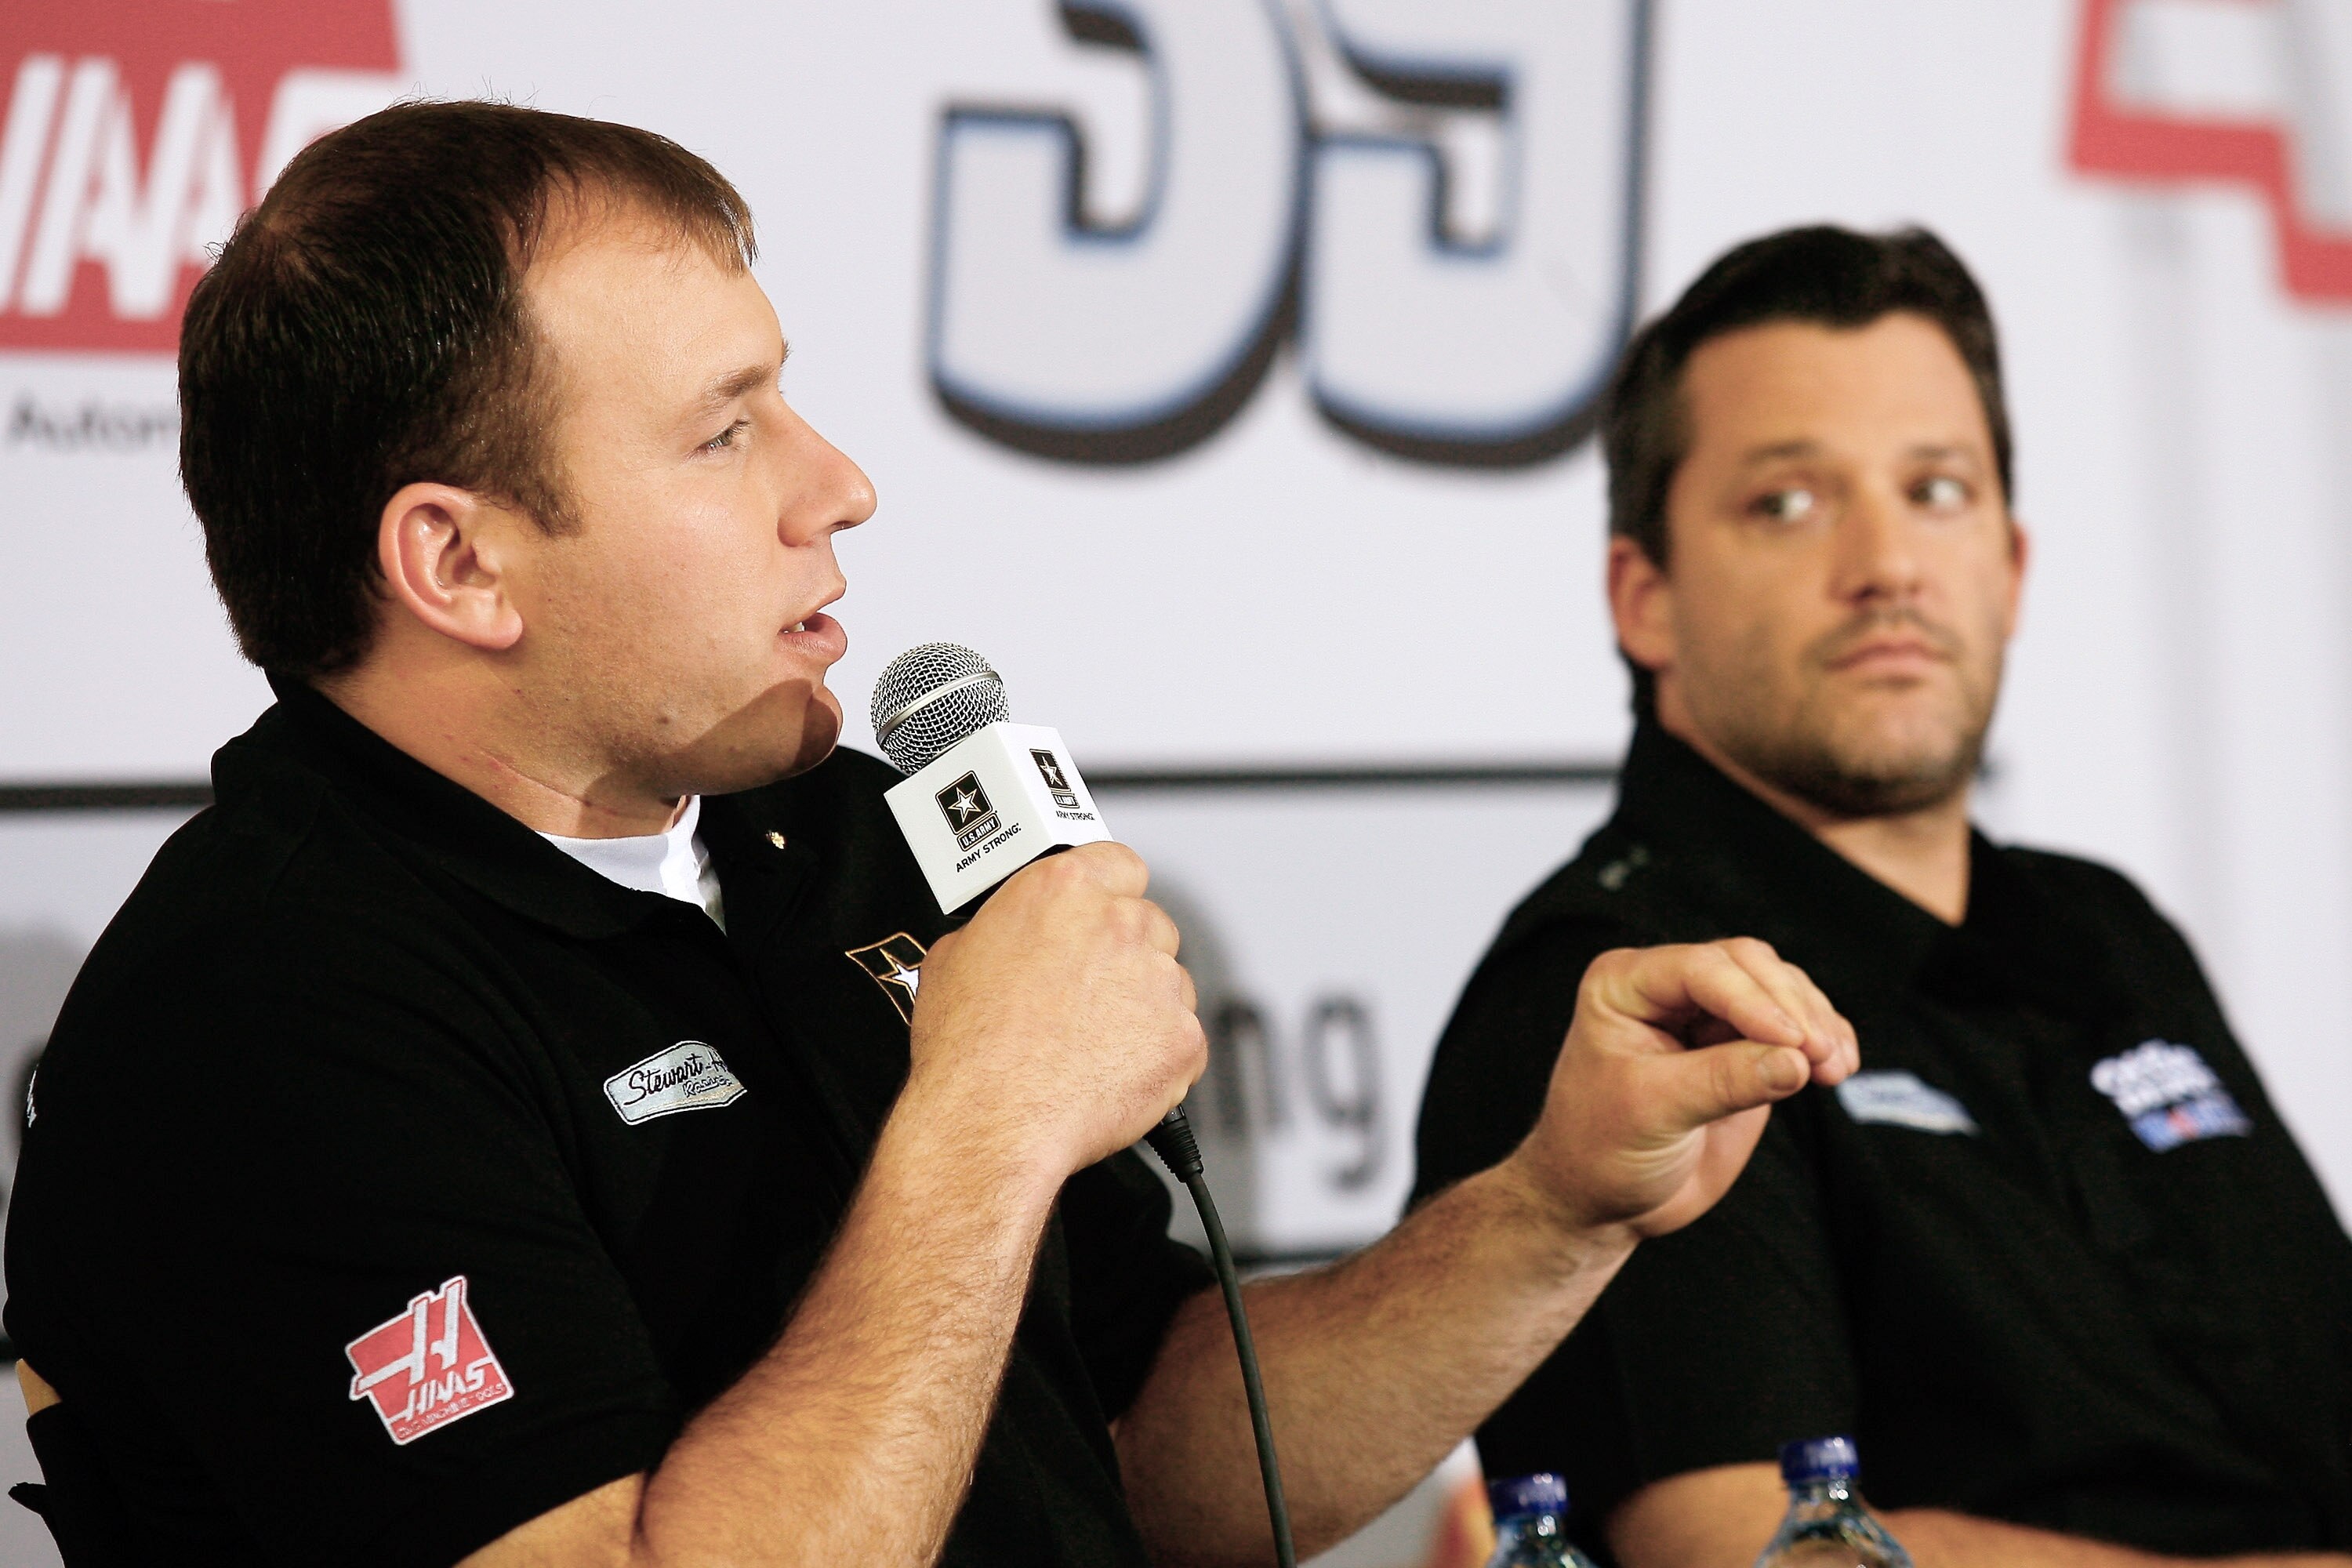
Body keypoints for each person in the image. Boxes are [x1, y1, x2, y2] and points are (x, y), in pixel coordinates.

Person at [1, 103, 1860, 1568]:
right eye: (728, 435)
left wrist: (1552, 1209)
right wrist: (984, 1119)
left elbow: (1147, 1449)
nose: (843, 488)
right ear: (459, 561)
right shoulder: (266, 1016)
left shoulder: (842, 834)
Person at [1411, 225, 2352, 1567]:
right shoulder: (1626, 998)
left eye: (1937, 489)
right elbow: (1740, 1546)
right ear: (1646, 598)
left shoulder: (2112, 934)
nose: (1888, 564)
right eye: (1788, 503)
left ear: (2014, 569)